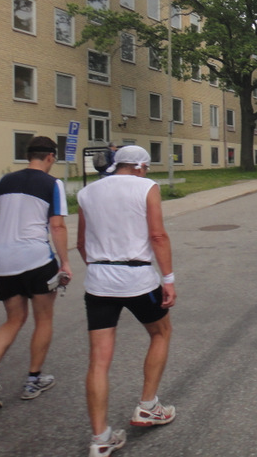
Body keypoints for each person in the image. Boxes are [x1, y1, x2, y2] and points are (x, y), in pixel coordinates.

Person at [76, 145, 176, 456]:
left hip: (99, 280)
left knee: (99, 359)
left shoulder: (87, 192)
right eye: (146, 168)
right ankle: (147, 406)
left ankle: (100, 438)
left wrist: (101, 267)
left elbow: (81, 243)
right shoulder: (147, 187)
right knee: (160, 332)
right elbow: (157, 236)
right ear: (140, 166)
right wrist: (169, 279)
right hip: (137, 278)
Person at [0, 136, 71, 409]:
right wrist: (65, 262)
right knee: (43, 318)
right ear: (50, 156)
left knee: (13, 319)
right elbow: (57, 226)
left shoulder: (3, 182)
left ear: (29, 155)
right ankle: (33, 380)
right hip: (37, 259)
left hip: (2, 261)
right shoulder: (52, 183)